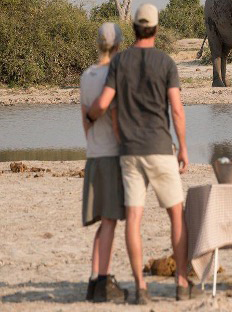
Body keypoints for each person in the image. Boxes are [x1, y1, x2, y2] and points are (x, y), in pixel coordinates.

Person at [86, 3, 202, 304]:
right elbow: (176, 109)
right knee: (176, 215)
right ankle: (180, 283)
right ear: (156, 28)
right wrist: (184, 147)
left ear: (135, 28)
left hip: (129, 152)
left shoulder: (120, 61)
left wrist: (89, 117)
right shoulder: (165, 62)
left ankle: (140, 288)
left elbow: (103, 102)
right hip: (160, 148)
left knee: (134, 219)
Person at [80, 22, 128, 303]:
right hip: (111, 155)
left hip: (93, 154)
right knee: (109, 221)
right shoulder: (114, 74)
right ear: (119, 45)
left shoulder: (87, 75)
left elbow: (84, 116)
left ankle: (93, 279)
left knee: (103, 222)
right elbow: (113, 115)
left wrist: (92, 143)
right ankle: (103, 281)